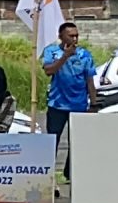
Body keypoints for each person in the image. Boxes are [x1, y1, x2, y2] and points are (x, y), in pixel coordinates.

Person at [39, 22, 95, 177]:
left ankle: (70, 174)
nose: (75, 39)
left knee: (76, 143)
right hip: (57, 104)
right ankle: (48, 174)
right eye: (71, 36)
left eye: (76, 35)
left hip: (79, 105)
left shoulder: (85, 55)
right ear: (61, 36)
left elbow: (89, 80)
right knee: (53, 141)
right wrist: (65, 56)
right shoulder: (51, 52)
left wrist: (94, 102)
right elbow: (49, 71)